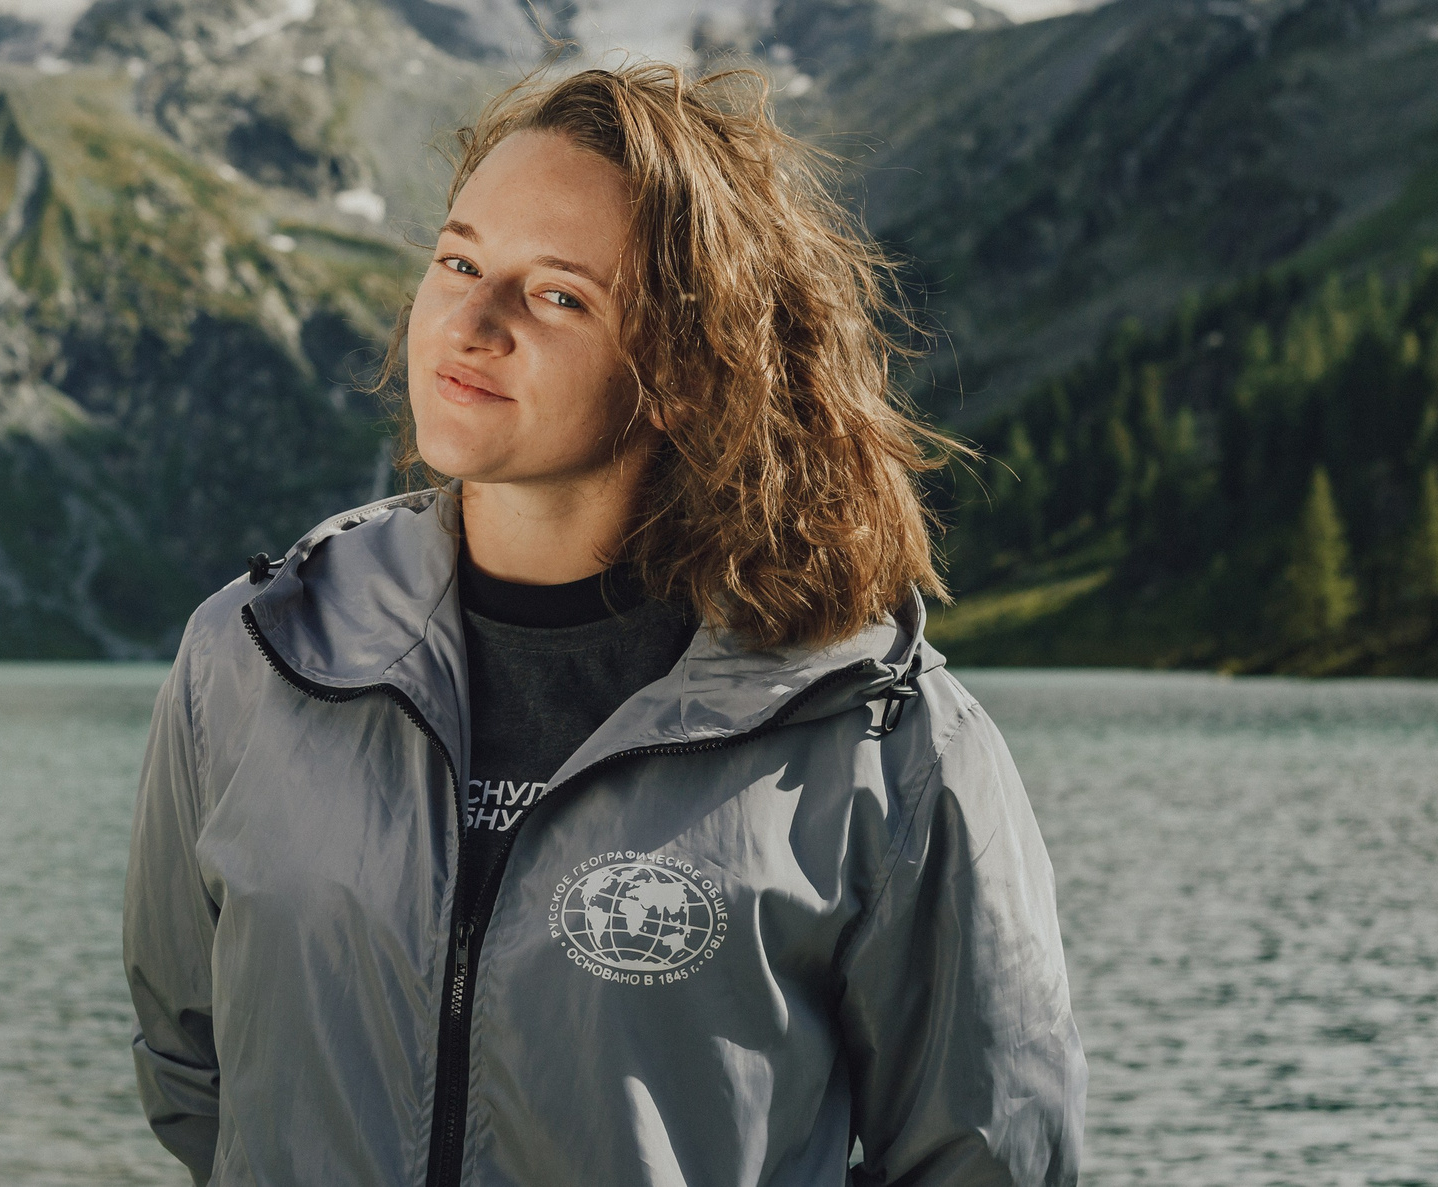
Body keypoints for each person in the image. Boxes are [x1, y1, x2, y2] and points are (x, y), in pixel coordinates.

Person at [123, 63, 1084, 1186]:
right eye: (459, 261)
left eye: (557, 294)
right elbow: (195, 1075)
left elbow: (988, 1160)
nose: (470, 324)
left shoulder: (881, 735)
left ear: (683, 370)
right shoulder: (250, 657)